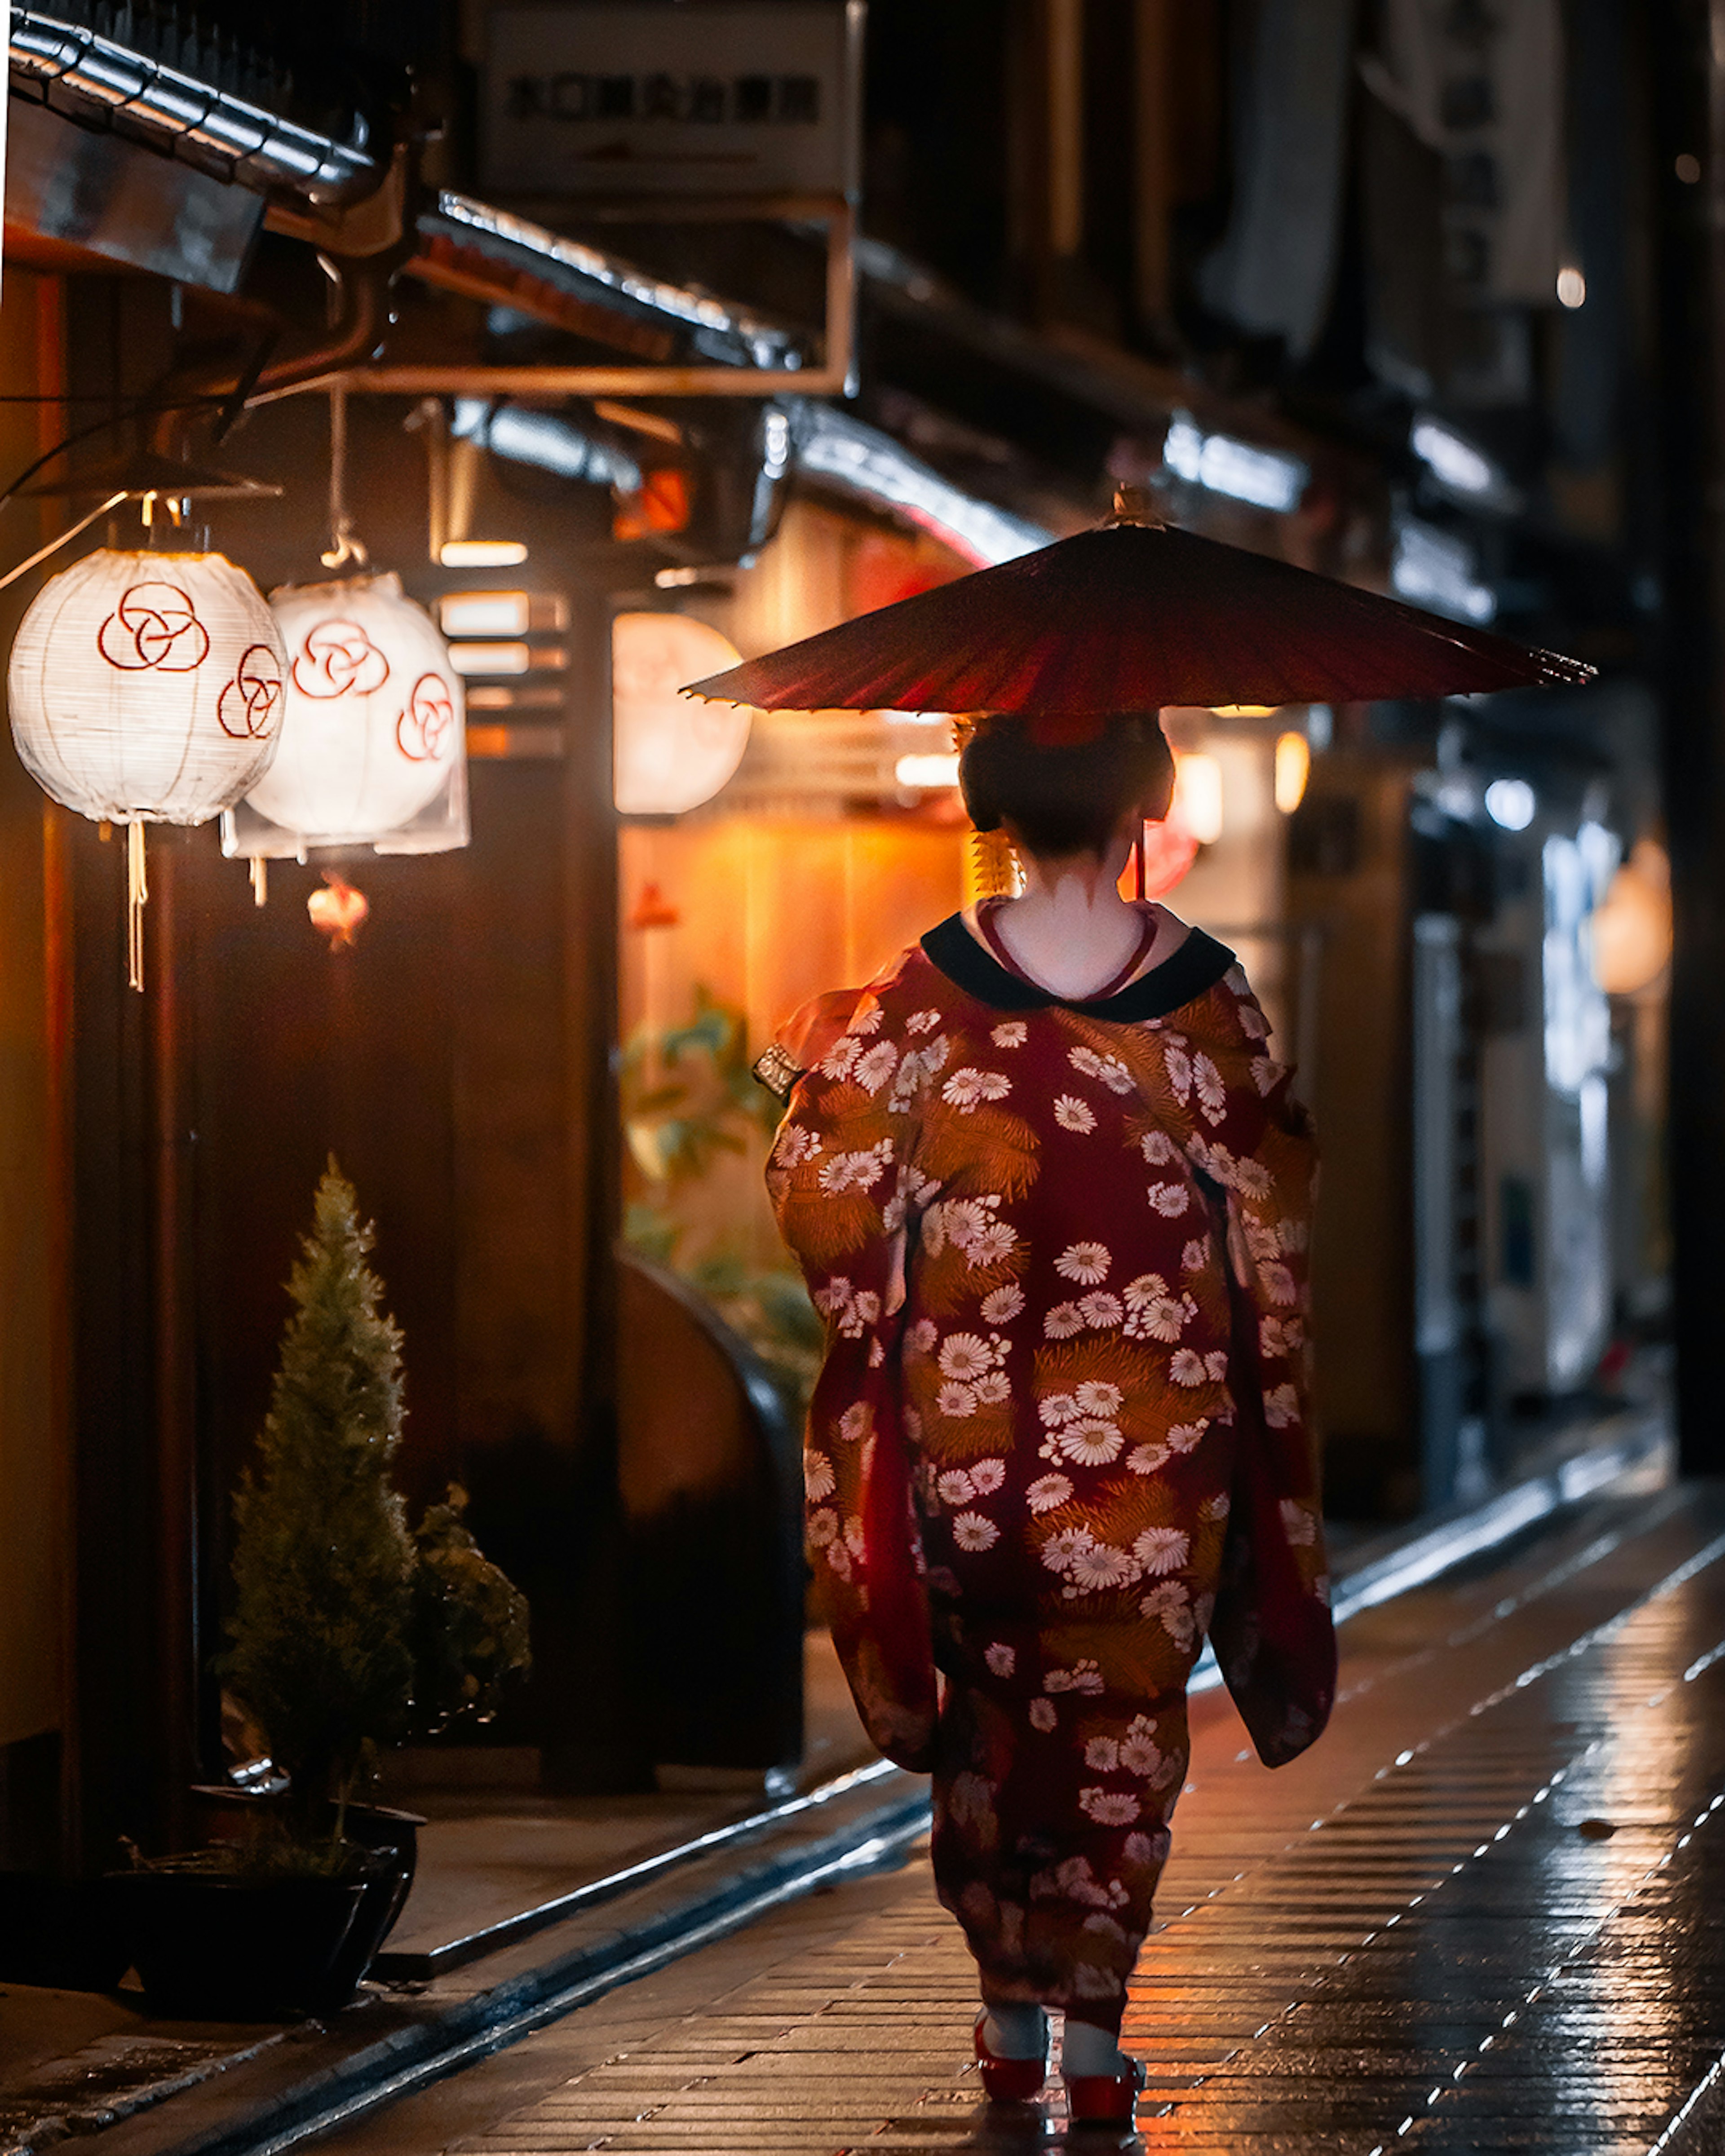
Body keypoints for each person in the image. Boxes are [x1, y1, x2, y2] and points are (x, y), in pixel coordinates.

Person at [761, 710, 1335, 2126]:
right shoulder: (1207, 993)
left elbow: (829, 1196)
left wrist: (809, 1088)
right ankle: (1093, 2053)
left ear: (990, 798)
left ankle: (1008, 2023)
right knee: (1127, 1730)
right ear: (1146, 798)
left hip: (980, 1445)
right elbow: (1276, 1198)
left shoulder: (924, 991)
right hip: (1154, 1449)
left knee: (997, 1727)